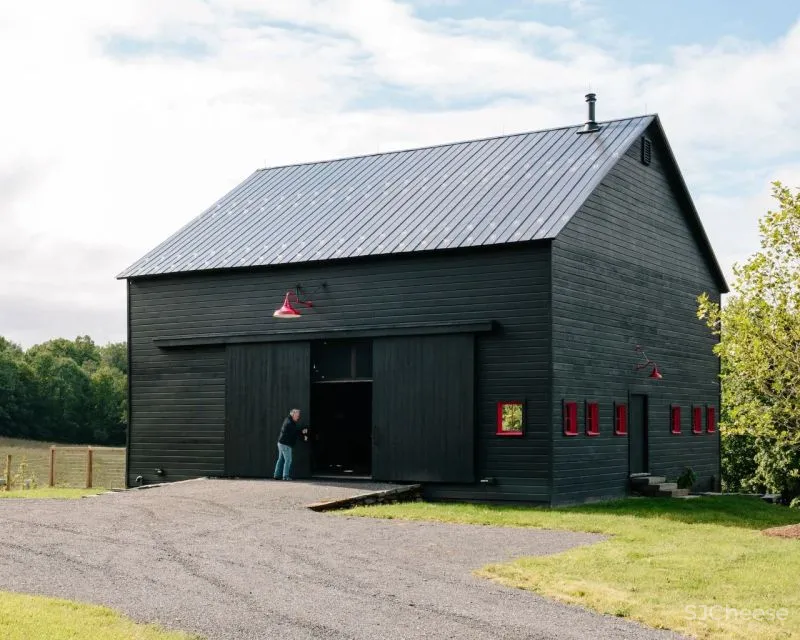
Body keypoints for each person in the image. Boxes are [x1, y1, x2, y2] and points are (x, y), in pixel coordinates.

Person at [273, 408, 307, 480]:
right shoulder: (289, 422)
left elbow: (294, 430)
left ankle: (276, 475)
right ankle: (285, 476)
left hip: (281, 443)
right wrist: (302, 432)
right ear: (293, 414)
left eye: (298, 415)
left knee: (281, 459)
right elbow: (294, 431)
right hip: (285, 444)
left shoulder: (289, 420)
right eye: (297, 415)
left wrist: (301, 432)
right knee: (288, 460)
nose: (298, 417)